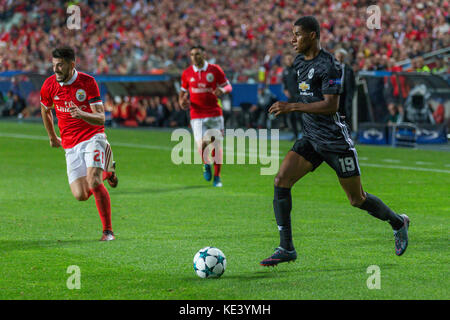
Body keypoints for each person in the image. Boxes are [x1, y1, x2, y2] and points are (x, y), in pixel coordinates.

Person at [260, 16, 410, 267]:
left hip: (334, 141)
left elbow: (331, 106)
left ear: (312, 35)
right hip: (310, 138)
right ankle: (286, 247)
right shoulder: (298, 62)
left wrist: (293, 106)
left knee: (357, 199)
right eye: (292, 34)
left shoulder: (330, 66)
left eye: (297, 34)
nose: (292, 39)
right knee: (281, 180)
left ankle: (398, 222)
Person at [40, 46, 118, 241]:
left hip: (93, 137)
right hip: (70, 144)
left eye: (60, 65)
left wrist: (81, 113)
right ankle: (109, 171)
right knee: (81, 195)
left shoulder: (88, 82)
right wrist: (52, 136)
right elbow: (45, 109)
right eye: (54, 65)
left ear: (72, 65)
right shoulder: (49, 85)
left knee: (93, 181)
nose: (56, 69)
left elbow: (101, 118)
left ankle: (108, 231)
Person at [178, 45, 232, 187]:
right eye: (192, 54)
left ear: (204, 54)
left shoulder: (215, 70)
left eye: (197, 54)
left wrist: (222, 90)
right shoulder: (187, 73)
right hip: (197, 114)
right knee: (201, 145)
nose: (194, 57)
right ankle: (206, 163)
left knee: (216, 145)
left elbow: (228, 86)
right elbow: (183, 92)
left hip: (214, 112)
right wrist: (181, 101)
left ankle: (217, 177)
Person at [334, 48, 356, 131]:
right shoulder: (333, 68)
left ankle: (348, 131)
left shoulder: (349, 69)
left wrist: (351, 95)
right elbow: (330, 80)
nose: (339, 58)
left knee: (347, 113)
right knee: (335, 113)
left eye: (341, 57)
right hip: (336, 94)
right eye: (338, 56)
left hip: (346, 94)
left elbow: (353, 84)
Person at [282, 53, 301, 140]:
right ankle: (295, 134)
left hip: (298, 96)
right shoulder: (285, 71)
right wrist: (285, 90)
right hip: (290, 98)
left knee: (299, 116)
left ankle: (305, 135)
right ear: (285, 61)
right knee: (291, 116)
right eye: (287, 59)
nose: (289, 60)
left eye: (290, 58)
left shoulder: (297, 69)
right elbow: (284, 84)